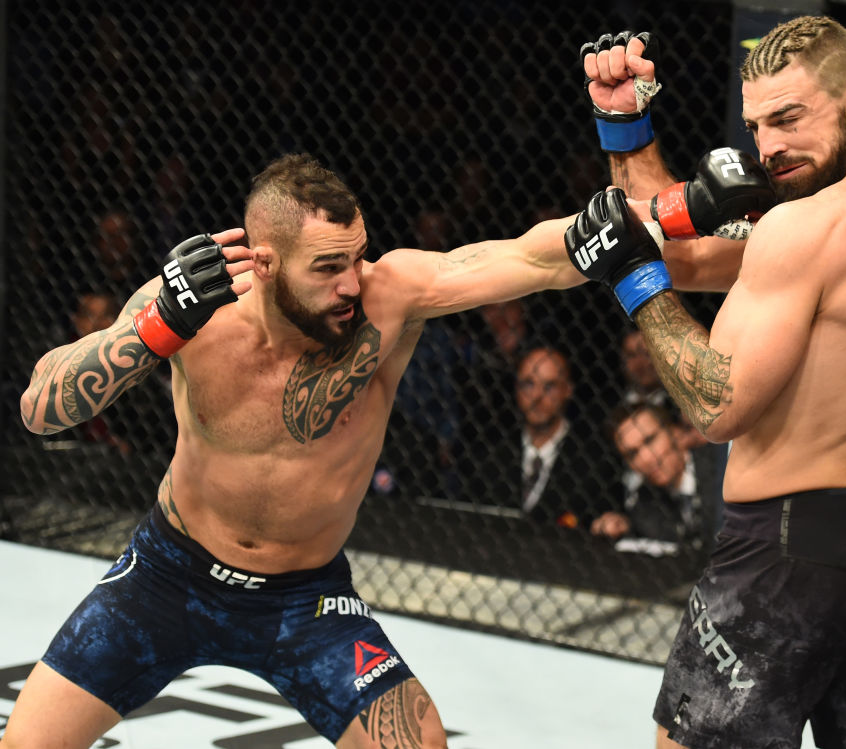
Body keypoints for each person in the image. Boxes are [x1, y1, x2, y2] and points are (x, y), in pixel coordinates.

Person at [10, 153, 592, 749]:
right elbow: (40, 408)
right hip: (167, 577)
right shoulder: (193, 310)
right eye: (328, 266)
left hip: (304, 600)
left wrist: (662, 214)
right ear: (265, 263)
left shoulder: (389, 296)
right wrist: (156, 326)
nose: (351, 282)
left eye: (357, 257)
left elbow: (532, 257)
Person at [570, 18, 846, 749]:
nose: (768, 146)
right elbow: (683, 244)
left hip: (784, 553)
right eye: (756, 126)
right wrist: (626, 127)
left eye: (788, 118)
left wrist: (633, 282)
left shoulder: (800, 230)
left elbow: (714, 405)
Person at [457, 346, 620, 530]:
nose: (537, 396)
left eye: (549, 386)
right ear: (517, 388)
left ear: (567, 390)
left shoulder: (596, 462)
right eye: (528, 384)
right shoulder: (488, 453)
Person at [593, 402, 719, 554]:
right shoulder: (643, 502)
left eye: (649, 440)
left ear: (675, 433)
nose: (645, 459)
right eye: (632, 454)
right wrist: (625, 527)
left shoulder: (720, 468)